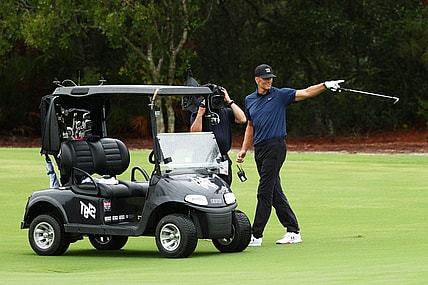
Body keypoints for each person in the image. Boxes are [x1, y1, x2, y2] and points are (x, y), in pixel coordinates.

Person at [236, 64, 344, 246]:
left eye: (271, 78)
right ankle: (293, 231)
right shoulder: (250, 100)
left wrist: (324, 85)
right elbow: (250, 125)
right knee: (274, 192)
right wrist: (244, 149)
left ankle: (256, 235)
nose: (269, 81)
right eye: (265, 78)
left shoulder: (280, 95)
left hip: (276, 147)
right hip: (260, 150)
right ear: (257, 80)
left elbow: (306, 93)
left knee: (264, 192)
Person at [191, 87, 246, 185]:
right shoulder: (199, 113)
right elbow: (195, 133)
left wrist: (229, 101)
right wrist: (200, 114)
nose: (216, 101)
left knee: (224, 187)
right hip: (204, 159)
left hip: (223, 159)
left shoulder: (225, 112)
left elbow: (242, 119)